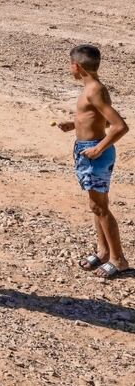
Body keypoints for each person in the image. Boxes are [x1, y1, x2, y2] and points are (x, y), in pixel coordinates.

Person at [57, 45, 129, 279]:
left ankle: (119, 260)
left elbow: (120, 126)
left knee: (100, 206)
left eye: (70, 65)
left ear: (76, 66)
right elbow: (99, 120)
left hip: (94, 152)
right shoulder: (92, 88)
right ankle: (103, 251)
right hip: (87, 149)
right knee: (95, 205)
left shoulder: (94, 90)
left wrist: (98, 148)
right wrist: (74, 125)